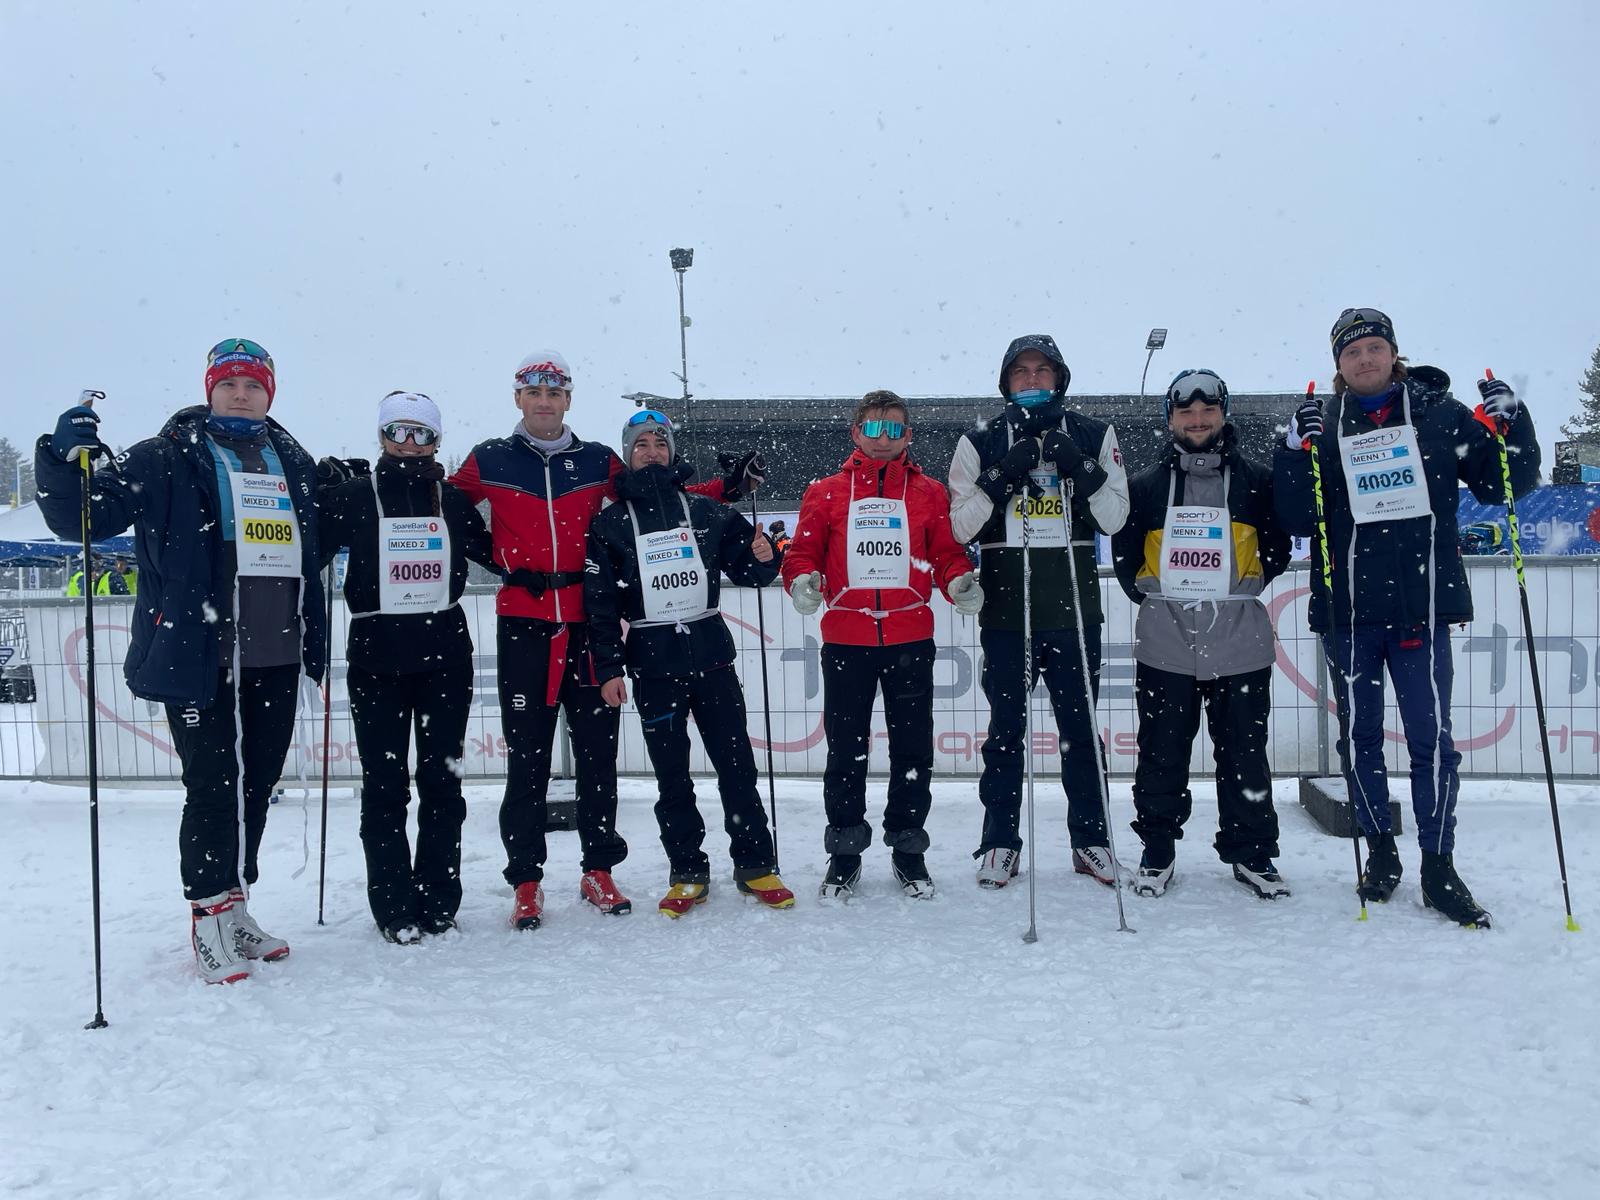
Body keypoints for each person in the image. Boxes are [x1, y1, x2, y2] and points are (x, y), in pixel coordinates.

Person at [35, 338, 325, 983]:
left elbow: (323, 535)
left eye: (253, 385)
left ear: (269, 394)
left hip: (274, 654)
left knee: (256, 787)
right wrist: (62, 457)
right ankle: (206, 916)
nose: (241, 394)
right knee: (213, 787)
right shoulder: (169, 455)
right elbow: (80, 516)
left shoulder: (292, 459)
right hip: (200, 653)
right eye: (229, 384)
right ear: (209, 388)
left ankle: (235, 905)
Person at [449, 351, 764, 930]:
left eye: (556, 392)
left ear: (568, 399)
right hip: (525, 621)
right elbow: (442, 505)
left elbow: (660, 494)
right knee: (528, 757)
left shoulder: (597, 459)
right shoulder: (488, 458)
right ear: (518, 398)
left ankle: (599, 866)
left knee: (598, 754)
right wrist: (489, 553)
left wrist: (726, 487)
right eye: (534, 392)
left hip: (590, 622)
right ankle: (526, 877)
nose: (545, 401)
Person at [1275, 308, 1540, 927]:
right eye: (1351, 352)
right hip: (1349, 614)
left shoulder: (1440, 415)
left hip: (1420, 608)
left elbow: (1506, 485)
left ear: (1393, 355)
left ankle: (1438, 864)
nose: (1364, 359)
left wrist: (1513, 423)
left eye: (1374, 348)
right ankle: (1381, 854)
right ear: (1337, 366)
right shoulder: (1324, 424)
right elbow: (1292, 516)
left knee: (1433, 741)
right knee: (1360, 738)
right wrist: (1293, 450)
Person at [585, 411, 795, 916]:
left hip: (712, 657)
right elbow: (599, 604)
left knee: (736, 765)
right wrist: (609, 668)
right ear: (627, 454)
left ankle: (755, 864)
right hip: (653, 664)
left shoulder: (705, 511)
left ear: (673, 452)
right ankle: (687, 870)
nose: (652, 451)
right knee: (671, 775)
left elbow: (752, 570)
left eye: (661, 442)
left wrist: (767, 554)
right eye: (641, 444)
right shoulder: (611, 522)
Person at [781, 391, 982, 899]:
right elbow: (802, 552)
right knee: (845, 749)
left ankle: (909, 850)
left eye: (895, 429)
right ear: (856, 433)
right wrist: (802, 580)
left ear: (908, 436)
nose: (884, 438)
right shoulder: (826, 492)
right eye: (874, 427)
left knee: (913, 748)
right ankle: (845, 852)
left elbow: (946, 553)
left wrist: (958, 581)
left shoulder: (930, 493)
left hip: (910, 635)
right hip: (847, 638)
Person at [948, 334, 1130, 888]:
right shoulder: (978, 439)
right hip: (1008, 614)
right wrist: (1005, 473)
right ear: (1005, 382)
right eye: (1020, 371)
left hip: (1073, 611)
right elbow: (961, 525)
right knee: (1006, 732)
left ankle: (1092, 840)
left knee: (1079, 730)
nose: (1032, 380)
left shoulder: (1094, 434)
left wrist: (1081, 468)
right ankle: (1000, 842)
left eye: (1042, 371)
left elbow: (1116, 518)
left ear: (1059, 379)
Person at [318, 392, 494, 943]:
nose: (409, 443)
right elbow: (302, 551)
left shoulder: (454, 501)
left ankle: (439, 897)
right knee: (385, 785)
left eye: (422, 433)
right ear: (381, 436)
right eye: (399, 431)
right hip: (377, 657)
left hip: (445, 655)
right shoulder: (354, 496)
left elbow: (504, 554)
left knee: (443, 783)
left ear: (437, 440)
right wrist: (317, 493)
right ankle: (393, 903)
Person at [1111, 369, 1293, 899]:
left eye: (1207, 410)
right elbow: (1125, 561)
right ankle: (1158, 847)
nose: (1197, 419)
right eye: (1186, 411)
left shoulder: (1258, 481)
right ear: (1170, 418)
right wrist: (1159, 596)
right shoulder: (1146, 487)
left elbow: (1277, 550)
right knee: (1162, 751)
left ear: (1223, 414)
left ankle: (1252, 851)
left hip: (1240, 644)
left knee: (1244, 752)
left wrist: (1237, 584)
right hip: (1166, 643)